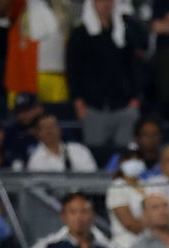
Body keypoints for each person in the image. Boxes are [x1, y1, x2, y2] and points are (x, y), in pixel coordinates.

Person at [66, 0, 145, 150]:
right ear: (92, 4)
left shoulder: (125, 32)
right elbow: (72, 71)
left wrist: (135, 99)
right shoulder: (80, 34)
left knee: (126, 154)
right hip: (93, 108)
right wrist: (77, 101)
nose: (106, 4)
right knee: (95, 153)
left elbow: (134, 68)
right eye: (101, 1)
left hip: (124, 107)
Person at [25, 114, 97, 173]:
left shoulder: (79, 150)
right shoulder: (35, 160)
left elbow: (92, 177)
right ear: (38, 133)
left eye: (52, 126)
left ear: (60, 129)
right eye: (45, 127)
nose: (49, 130)